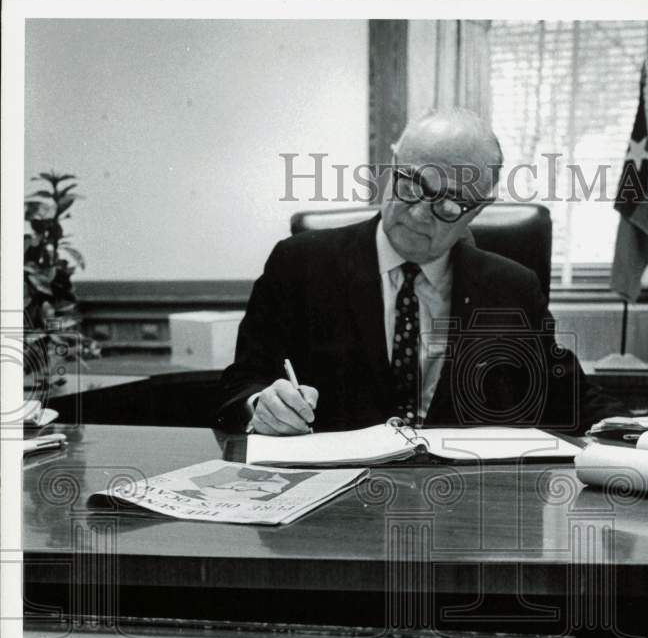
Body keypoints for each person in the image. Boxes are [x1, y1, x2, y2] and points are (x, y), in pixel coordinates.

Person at [217, 109, 622, 435]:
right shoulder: (300, 264)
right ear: (392, 167)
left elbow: (571, 399)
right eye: (411, 184)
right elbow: (240, 384)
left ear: (478, 210)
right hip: (328, 503)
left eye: (449, 205)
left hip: (462, 506)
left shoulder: (511, 287)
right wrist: (261, 406)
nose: (418, 214)